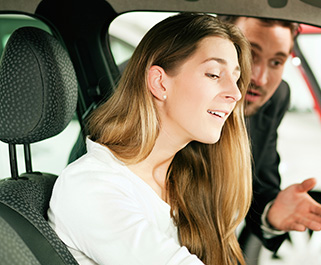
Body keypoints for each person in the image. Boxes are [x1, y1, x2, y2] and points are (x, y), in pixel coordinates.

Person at [48, 13, 253, 265]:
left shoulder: (183, 180)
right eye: (213, 74)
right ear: (159, 83)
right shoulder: (91, 186)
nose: (235, 92)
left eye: (236, 77)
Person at [217, 15, 321, 252]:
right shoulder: (167, 93)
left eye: (276, 62)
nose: (259, 78)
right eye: (250, 54)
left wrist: (271, 211)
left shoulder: (275, 98)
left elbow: (260, 183)